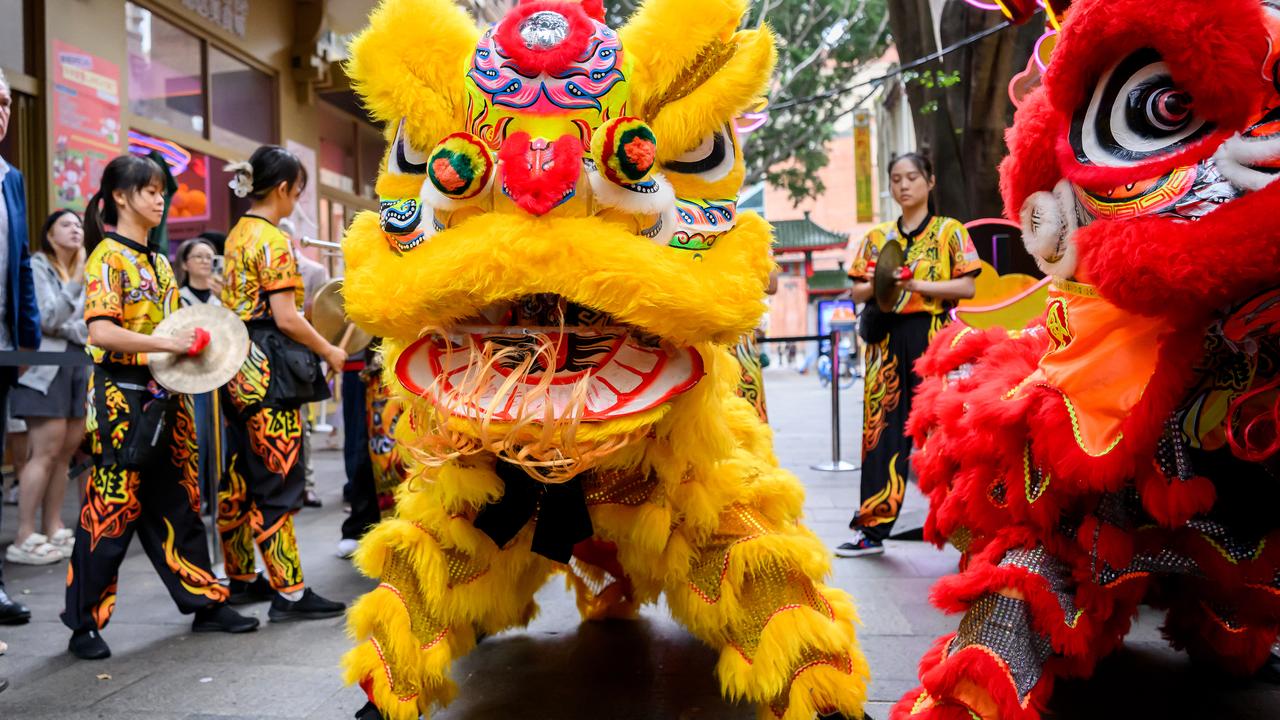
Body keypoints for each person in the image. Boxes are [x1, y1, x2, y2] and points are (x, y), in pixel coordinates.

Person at [62, 154, 259, 660]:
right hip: (120, 398)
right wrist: (168, 347)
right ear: (120, 197)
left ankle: (206, 602)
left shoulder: (158, 260)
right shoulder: (107, 255)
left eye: (162, 190)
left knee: (181, 501)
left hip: (166, 395)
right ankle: (84, 622)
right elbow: (101, 331)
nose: (159, 198)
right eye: (148, 190)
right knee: (110, 509)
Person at [218, 145, 347, 620]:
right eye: (298, 191)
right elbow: (287, 317)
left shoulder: (237, 235)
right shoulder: (272, 240)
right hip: (269, 369)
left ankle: (242, 578)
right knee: (278, 476)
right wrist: (329, 348)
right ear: (283, 189)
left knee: (240, 477)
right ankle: (289, 592)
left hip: (235, 363)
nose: (298, 201)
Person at [836, 153, 980, 558]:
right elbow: (858, 292)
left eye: (912, 177)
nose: (904, 185)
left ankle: (967, 528)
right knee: (880, 433)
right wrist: (885, 282)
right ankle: (872, 529)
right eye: (896, 178)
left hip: (932, 339)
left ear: (930, 182)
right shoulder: (877, 237)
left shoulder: (949, 231)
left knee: (947, 433)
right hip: (885, 343)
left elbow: (967, 288)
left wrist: (915, 283)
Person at [7, 210, 88, 565]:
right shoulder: (38, 266)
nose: (76, 230)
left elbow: (87, 325)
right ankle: (24, 535)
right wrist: (74, 289)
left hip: (76, 366)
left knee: (65, 453)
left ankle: (52, 527)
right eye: (67, 224)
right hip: (42, 369)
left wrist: (69, 326)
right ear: (49, 233)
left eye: (79, 224)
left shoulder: (84, 271)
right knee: (42, 451)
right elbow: (47, 318)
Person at [0, 67, 43, 629]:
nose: (1, 111)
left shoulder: (9, 176)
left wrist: (27, 337)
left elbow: (21, 263)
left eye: (6, 102)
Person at [279, 217, 328, 509]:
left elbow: (320, 315)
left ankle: (306, 483)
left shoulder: (313, 271)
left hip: (301, 356)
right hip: (271, 355)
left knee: (303, 423)